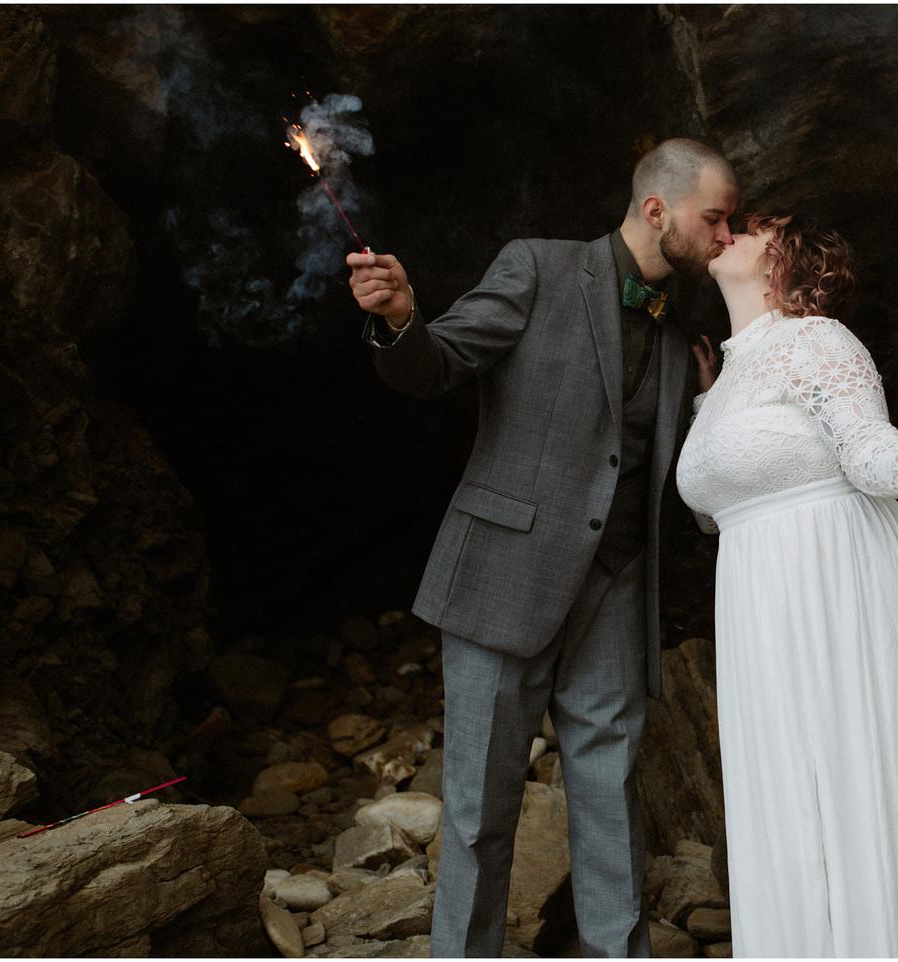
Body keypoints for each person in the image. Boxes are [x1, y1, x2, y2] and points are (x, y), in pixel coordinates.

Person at [346, 138, 739, 957]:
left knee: (612, 796)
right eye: (715, 218)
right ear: (658, 210)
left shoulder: (683, 330)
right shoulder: (537, 267)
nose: (725, 236)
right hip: (505, 577)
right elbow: (438, 363)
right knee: (479, 807)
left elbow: (665, 466)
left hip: (618, 588)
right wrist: (399, 319)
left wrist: (711, 412)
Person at [677, 213, 898, 957]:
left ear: (791, 268)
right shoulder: (730, 373)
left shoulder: (818, 339)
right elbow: (714, 510)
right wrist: (709, 404)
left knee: (865, 786)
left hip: (840, 583)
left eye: (757, 227)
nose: (733, 230)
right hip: (763, 601)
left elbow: (865, 451)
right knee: (791, 798)